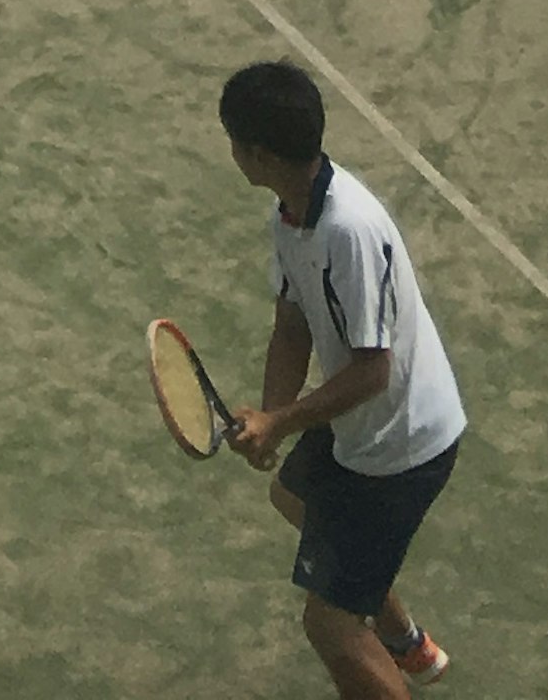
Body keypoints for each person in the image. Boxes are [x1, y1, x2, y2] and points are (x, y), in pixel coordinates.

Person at [217, 58, 465, 696]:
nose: (232, 153)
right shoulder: (291, 215)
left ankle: (389, 650)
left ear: (259, 153)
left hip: (401, 446)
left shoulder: (348, 231)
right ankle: (410, 646)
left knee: (330, 625)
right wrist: (272, 419)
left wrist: (282, 420)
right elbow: (292, 326)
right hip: (365, 428)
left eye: (234, 141)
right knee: (295, 498)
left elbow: (371, 373)